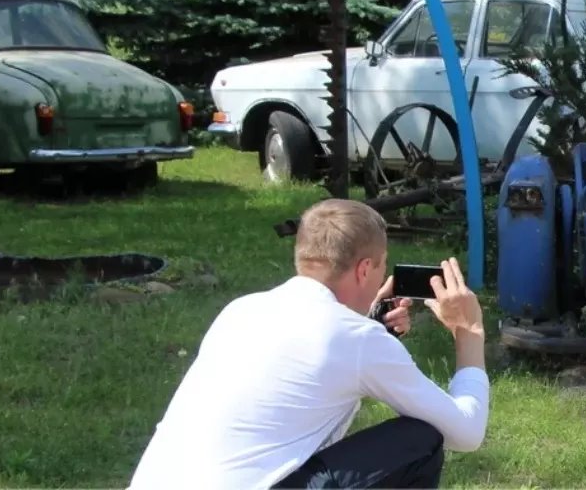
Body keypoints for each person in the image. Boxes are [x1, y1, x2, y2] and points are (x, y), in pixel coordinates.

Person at [128, 198, 490, 490]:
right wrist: (469, 331)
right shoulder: (357, 339)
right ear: (365, 270)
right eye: (381, 268)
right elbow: (465, 432)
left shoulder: (241, 310)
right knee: (420, 439)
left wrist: (367, 324)